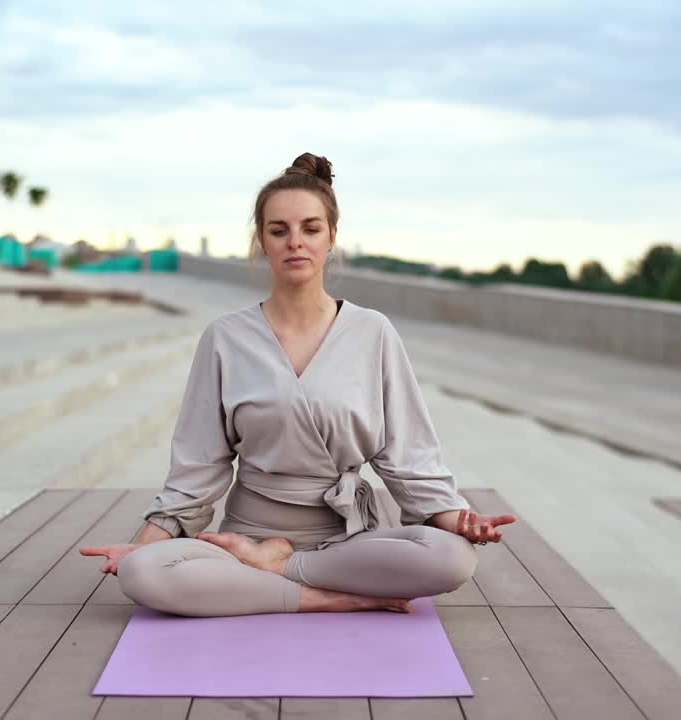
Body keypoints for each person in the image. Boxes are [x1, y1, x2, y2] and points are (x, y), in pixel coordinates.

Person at [79, 152, 516, 617]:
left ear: (331, 238)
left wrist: (459, 520)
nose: (295, 243)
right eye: (278, 230)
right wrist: (144, 546)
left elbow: (408, 457)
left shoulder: (373, 333)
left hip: (347, 543)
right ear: (261, 241)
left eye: (310, 229)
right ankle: (320, 597)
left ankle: (282, 571)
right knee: (143, 573)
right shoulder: (226, 338)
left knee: (451, 559)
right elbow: (197, 466)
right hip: (243, 538)